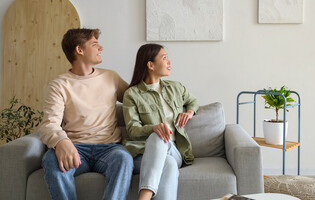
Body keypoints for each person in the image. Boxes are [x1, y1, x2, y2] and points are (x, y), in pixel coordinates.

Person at [38, 28, 133, 200]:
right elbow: (49, 124)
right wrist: (61, 141)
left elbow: (137, 99)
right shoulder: (59, 85)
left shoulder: (110, 77)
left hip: (109, 148)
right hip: (75, 149)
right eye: (95, 44)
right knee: (51, 160)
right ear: (79, 50)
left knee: (124, 158)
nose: (101, 48)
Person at [122, 43, 199, 200]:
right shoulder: (132, 94)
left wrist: (190, 112)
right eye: (164, 58)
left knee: (162, 140)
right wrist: (154, 128)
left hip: (175, 150)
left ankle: (144, 196)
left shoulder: (176, 88)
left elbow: (193, 101)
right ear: (150, 65)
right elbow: (132, 129)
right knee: (168, 163)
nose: (169, 62)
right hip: (142, 153)